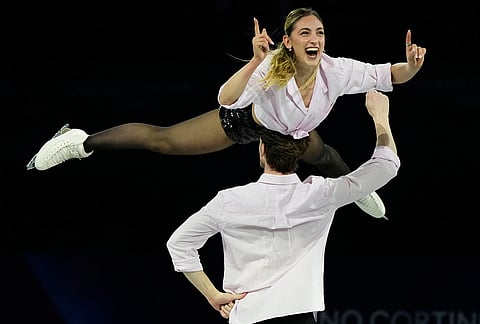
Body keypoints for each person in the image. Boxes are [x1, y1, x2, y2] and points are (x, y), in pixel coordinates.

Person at [26, 7, 425, 219]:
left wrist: (410, 67)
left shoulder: (337, 70)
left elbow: (388, 74)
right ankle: (79, 141)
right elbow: (227, 98)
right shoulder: (271, 67)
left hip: (294, 132)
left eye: (319, 32)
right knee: (163, 141)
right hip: (246, 124)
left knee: (326, 157)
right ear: (287, 41)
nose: (315, 38)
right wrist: (254, 62)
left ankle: (360, 188)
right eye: (305, 32)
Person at [166, 90, 400, 324]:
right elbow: (386, 166)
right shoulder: (320, 194)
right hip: (300, 316)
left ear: (262, 150)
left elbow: (179, 244)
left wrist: (213, 295)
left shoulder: (229, 201)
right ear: (298, 153)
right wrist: (380, 117)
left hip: (247, 315)